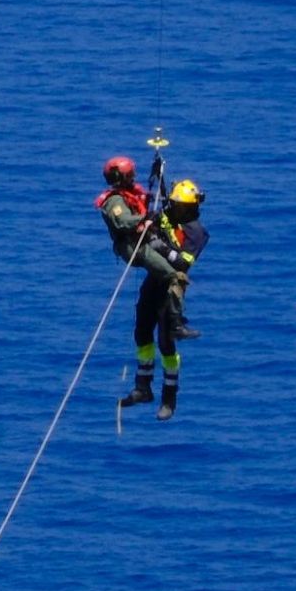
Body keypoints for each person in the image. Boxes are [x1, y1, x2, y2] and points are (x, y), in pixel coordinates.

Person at [118, 177, 209, 421]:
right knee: (142, 332)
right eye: (176, 206)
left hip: (171, 284)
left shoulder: (197, 233)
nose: (177, 210)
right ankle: (143, 386)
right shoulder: (167, 214)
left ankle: (169, 398)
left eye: (182, 208)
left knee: (166, 343)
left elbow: (182, 263)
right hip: (153, 279)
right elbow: (154, 214)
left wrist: (161, 247)